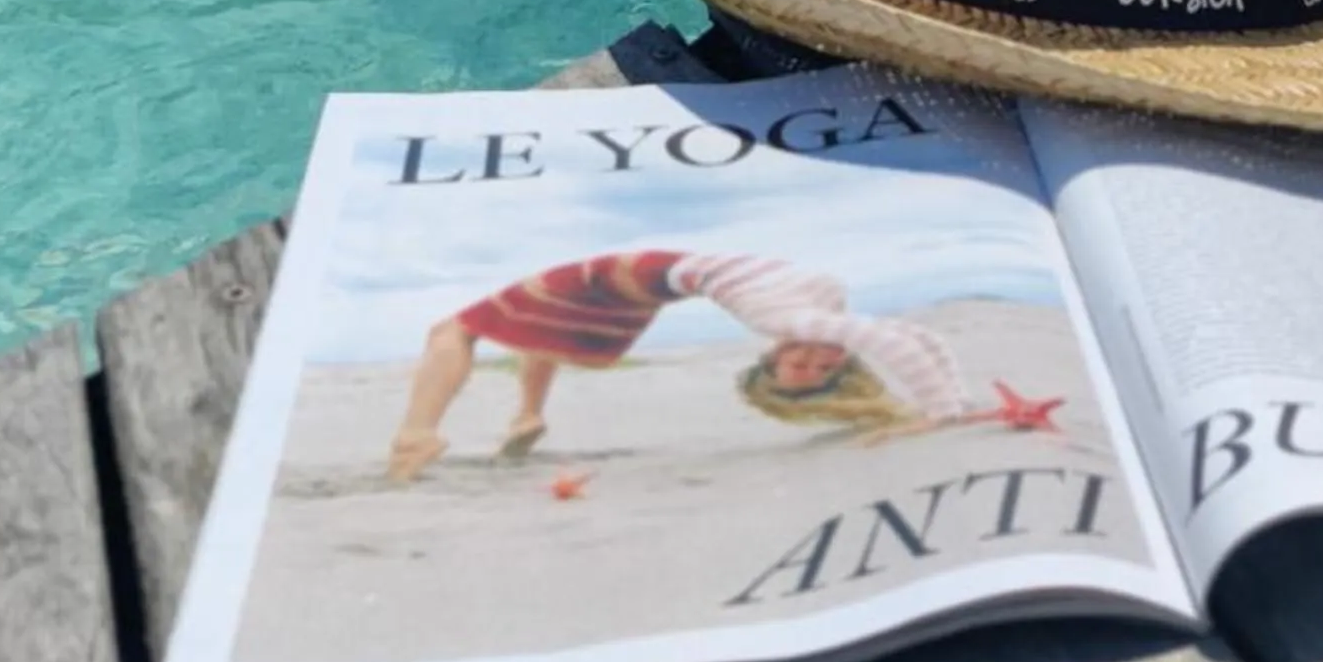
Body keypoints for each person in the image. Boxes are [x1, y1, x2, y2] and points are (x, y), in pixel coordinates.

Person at [385, 246, 970, 482]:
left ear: (770, 360)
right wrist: (949, 406)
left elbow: (892, 339)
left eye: (801, 372)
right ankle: (525, 417)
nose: (813, 362)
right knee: (534, 333)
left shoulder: (784, 320)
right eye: (819, 371)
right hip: (629, 285)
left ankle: (416, 436)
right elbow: (903, 337)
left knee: (454, 328)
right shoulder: (810, 317)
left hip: (619, 282)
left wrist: (942, 412)